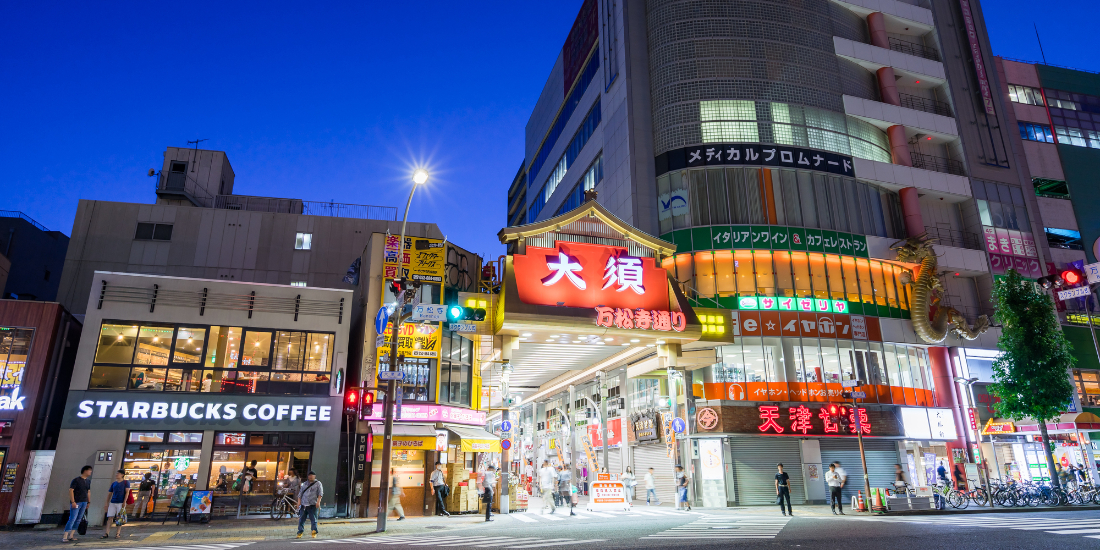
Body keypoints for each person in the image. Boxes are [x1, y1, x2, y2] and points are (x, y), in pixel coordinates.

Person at [63, 465, 92, 542]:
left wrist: (88, 501)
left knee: (78, 519)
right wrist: (73, 501)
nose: (90, 472)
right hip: (77, 501)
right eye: (89, 470)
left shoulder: (88, 481)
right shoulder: (76, 480)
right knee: (72, 518)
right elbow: (71, 490)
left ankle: (71, 535)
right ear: (85, 471)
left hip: (84, 502)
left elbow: (88, 491)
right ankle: (65, 536)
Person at [296, 471, 323, 538]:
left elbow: (320, 493)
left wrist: (318, 502)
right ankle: (300, 532)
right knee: (301, 519)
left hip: (313, 504)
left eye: (312, 475)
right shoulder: (305, 484)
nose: (310, 477)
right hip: (304, 504)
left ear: (315, 476)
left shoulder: (318, 483)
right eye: (309, 475)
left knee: (313, 519)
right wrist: (299, 502)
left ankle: (314, 531)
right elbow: (300, 494)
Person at [103, 470, 129, 539]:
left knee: (119, 518)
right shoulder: (114, 483)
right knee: (110, 517)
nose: (117, 475)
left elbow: (127, 492)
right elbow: (109, 493)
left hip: (121, 502)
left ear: (122, 475)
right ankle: (107, 533)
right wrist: (107, 503)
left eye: (118, 474)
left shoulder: (126, 482)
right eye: (117, 473)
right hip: (113, 502)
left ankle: (118, 533)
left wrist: (124, 502)